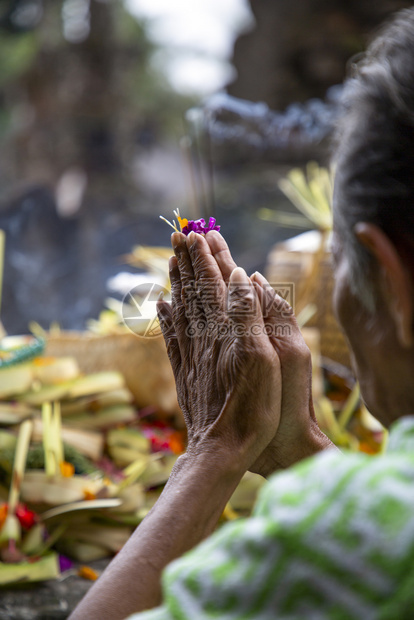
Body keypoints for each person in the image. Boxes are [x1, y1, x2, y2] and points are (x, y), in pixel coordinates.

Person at [70, 8, 414, 620]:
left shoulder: (311, 547)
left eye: (336, 259)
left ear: (393, 287)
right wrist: (301, 446)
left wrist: (215, 448)